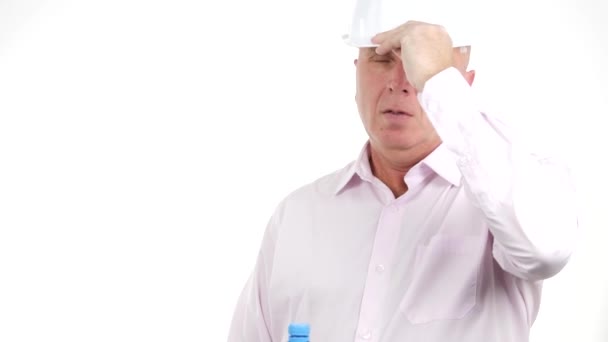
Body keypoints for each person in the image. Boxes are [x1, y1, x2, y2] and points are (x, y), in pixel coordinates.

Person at [226, 13, 578, 342]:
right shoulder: (298, 215)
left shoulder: (515, 191)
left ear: (461, 86)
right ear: (357, 70)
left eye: (420, 65)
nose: (401, 83)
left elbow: (545, 251)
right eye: (382, 58)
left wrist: (440, 88)